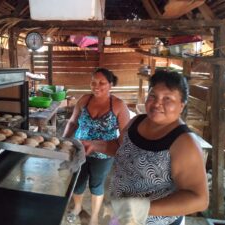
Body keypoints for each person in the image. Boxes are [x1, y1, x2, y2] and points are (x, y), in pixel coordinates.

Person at [82, 71, 209, 225]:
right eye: (153, 96)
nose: (157, 104)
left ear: (181, 105)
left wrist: (142, 208)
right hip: (124, 215)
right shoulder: (137, 121)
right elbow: (119, 147)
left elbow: (199, 199)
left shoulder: (184, 143)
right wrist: (94, 145)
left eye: (167, 99)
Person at [63, 67, 130, 225]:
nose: (96, 86)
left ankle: (94, 217)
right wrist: (63, 140)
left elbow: (125, 137)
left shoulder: (119, 105)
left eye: (102, 83)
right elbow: (72, 122)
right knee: (78, 181)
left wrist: (108, 148)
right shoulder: (84, 100)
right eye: (93, 82)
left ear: (110, 84)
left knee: (96, 184)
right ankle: (78, 208)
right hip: (80, 150)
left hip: (103, 154)